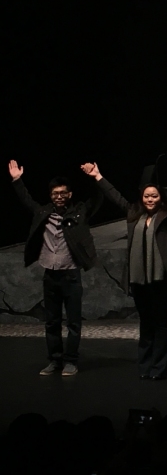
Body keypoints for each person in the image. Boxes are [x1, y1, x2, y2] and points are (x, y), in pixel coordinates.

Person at [81, 161, 167, 380]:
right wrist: (97, 176)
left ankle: (159, 367)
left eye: (154, 196)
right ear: (142, 198)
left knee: (160, 324)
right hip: (139, 280)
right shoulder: (133, 214)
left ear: (160, 198)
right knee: (145, 324)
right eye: (147, 196)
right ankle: (145, 365)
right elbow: (115, 196)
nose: (150, 200)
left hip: (160, 280)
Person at [8, 160, 103, 376]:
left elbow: (97, 199)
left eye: (62, 193)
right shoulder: (44, 212)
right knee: (52, 322)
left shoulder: (79, 212)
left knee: (73, 322)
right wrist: (17, 180)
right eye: (55, 193)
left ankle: (71, 361)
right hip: (50, 275)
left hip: (71, 275)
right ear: (51, 195)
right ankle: (54, 360)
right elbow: (27, 200)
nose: (59, 196)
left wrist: (95, 178)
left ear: (69, 194)